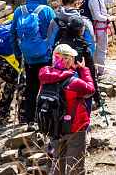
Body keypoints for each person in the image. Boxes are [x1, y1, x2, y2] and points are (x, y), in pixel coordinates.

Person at [39, 44, 96, 175]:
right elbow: (90, 90)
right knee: (75, 166)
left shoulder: (45, 77)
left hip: (54, 127)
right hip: (74, 127)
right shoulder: (74, 82)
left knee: (57, 164)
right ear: (67, 60)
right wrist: (83, 70)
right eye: (70, 58)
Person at [11, 0, 56, 125]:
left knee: (31, 87)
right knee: (46, 86)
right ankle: (44, 118)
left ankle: (30, 119)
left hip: (28, 57)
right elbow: (55, 32)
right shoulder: (47, 10)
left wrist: (17, 54)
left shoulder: (19, 11)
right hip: (45, 56)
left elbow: (13, 34)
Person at [49, 0, 100, 107]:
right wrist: (89, 55)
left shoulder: (55, 20)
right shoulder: (83, 21)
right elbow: (92, 40)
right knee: (88, 80)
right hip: (81, 59)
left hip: (61, 58)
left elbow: (50, 40)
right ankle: (93, 101)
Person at [0, 13, 21, 126]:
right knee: (23, 86)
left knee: (10, 83)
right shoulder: (20, 28)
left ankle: (2, 115)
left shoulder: (3, 25)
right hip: (9, 64)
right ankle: (22, 117)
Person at [81, 0, 114, 72]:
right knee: (101, 50)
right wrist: (108, 18)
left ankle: (98, 69)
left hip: (101, 27)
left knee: (99, 50)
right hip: (99, 27)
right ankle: (100, 71)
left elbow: (111, 1)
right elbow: (97, 16)